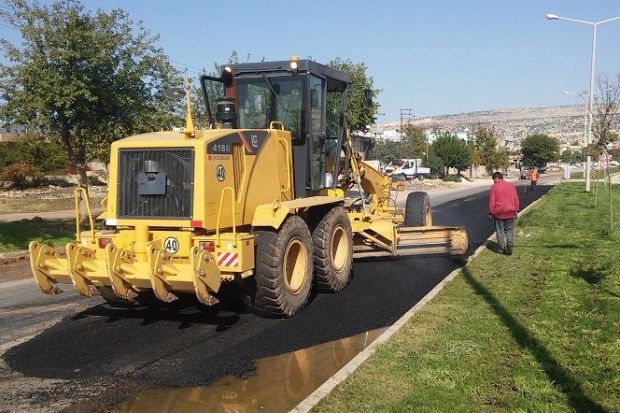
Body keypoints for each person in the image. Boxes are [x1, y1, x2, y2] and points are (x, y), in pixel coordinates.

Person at [488, 171, 520, 255]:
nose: (493, 182)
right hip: (510, 212)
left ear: (496, 178)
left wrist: (491, 212)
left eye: (493, 180)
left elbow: (492, 201)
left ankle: (501, 249)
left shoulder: (494, 187)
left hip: (498, 213)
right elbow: (516, 199)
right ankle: (509, 243)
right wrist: (516, 210)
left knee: (500, 231)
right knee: (509, 229)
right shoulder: (511, 185)